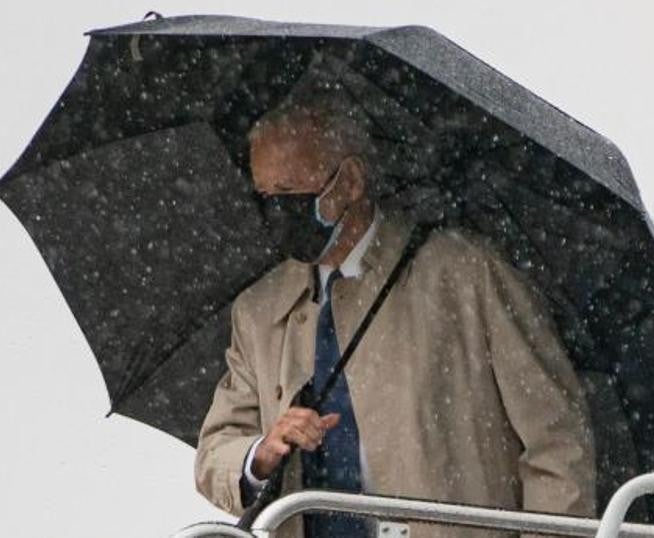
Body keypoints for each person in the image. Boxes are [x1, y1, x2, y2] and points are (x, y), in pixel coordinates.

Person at [194, 99, 596, 538]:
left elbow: (556, 441)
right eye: (265, 197)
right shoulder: (259, 309)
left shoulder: (465, 274)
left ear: (350, 181)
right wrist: (260, 453)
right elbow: (215, 452)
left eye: (290, 193)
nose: (277, 212)